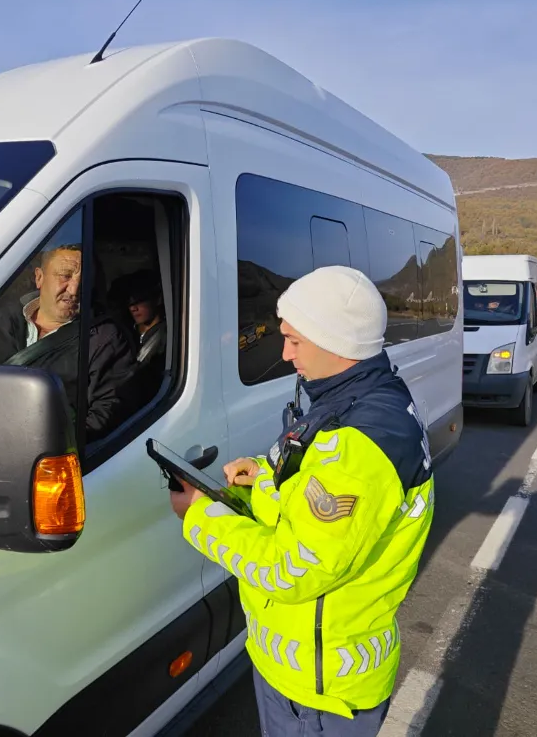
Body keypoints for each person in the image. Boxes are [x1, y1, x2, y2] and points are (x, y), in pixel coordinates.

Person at [169, 265, 434, 736]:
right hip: (305, 672)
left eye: (294, 340)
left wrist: (200, 517)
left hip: (318, 691)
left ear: (336, 341)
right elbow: (309, 484)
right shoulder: (358, 399)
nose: (285, 353)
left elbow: (292, 569)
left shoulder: (360, 445)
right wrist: (263, 475)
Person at [0, 242, 136, 443]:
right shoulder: (2, 321)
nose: (74, 289)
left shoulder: (104, 338)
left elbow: (108, 411)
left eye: (84, 279)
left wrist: (48, 444)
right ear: (39, 277)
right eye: (65, 275)